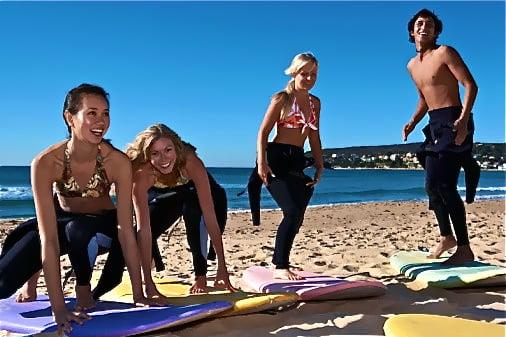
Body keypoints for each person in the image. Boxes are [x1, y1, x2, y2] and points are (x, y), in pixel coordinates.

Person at [0, 84, 152, 336]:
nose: (101, 121)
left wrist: (139, 294)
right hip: (63, 223)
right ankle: (31, 280)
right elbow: (48, 237)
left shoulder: (117, 162)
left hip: (103, 225)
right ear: (70, 117)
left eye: (105, 113)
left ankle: (84, 289)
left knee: (80, 230)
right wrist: (58, 309)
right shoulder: (46, 162)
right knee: (3, 283)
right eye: (92, 113)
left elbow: (126, 229)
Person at [92, 124, 235, 299]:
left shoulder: (189, 161)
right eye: (155, 153)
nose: (163, 158)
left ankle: (201, 276)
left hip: (204, 193)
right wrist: (148, 284)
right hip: (169, 194)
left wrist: (222, 267)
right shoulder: (142, 174)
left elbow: (210, 216)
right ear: (147, 155)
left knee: (194, 210)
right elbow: (143, 228)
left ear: (176, 148)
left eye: (168, 150)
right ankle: (100, 290)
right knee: (139, 234)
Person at [402, 9, 478, 264]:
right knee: (431, 186)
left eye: (430, 24)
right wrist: (413, 121)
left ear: (436, 31)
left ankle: (464, 248)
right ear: (412, 31)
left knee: (444, 185)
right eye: (420, 24)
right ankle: (447, 236)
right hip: (434, 123)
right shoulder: (412, 65)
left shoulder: (444, 52)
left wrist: (464, 120)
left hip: (455, 118)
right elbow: (424, 97)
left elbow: (470, 85)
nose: (425, 27)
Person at [256, 52, 323, 280]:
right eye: (304, 73)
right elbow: (263, 133)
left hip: (297, 158)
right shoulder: (282, 99)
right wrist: (261, 162)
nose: (309, 78)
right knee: (291, 212)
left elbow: (314, 136)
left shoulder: (315, 103)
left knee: (298, 216)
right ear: (294, 73)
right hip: (277, 157)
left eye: (313, 74)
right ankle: (280, 266)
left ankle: (282, 261)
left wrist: (320, 164)